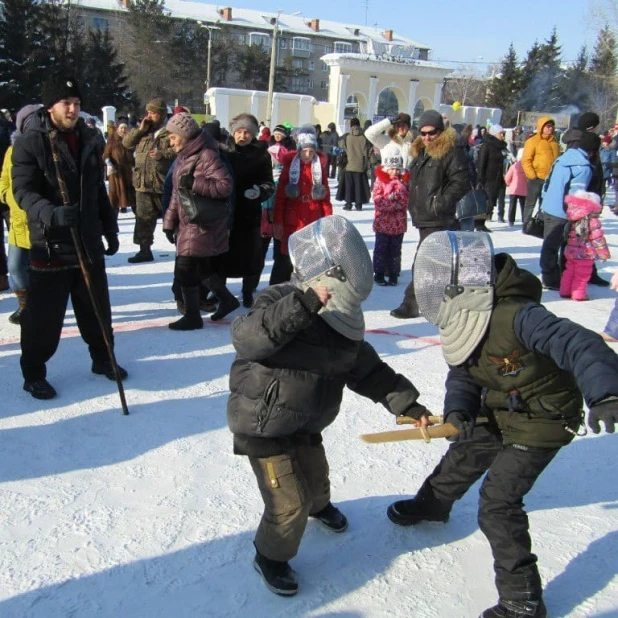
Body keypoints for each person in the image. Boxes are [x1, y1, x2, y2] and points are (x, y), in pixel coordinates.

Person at [387, 230, 618, 618]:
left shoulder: (519, 316)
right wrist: (458, 409)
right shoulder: (464, 317)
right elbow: (463, 372)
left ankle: (523, 601)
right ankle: (432, 505)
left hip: (544, 417)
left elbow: (581, 344)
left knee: (497, 503)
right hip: (501, 403)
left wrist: (606, 393)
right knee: (468, 446)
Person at [226, 214, 429, 596]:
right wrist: (301, 307)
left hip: (305, 423)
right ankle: (270, 557)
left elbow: (368, 371)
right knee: (289, 503)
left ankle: (320, 507)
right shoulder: (279, 300)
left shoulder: (342, 324)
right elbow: (248, 339)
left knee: (316, 480)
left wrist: (409, 405)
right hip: (263, 424)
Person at [11, 74, 125, 400]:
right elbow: (23, 191)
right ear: (51, 106)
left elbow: (96, 191)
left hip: (87, 241)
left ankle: (103, 358)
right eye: (67, 103)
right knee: (43, 319)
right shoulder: (30, 142)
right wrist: (52, 213)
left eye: (77, 104)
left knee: (96, 310)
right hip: (50, 244)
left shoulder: (89, 139)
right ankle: (33, 372)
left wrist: (109, 226)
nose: (73, 109)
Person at [390, 109, 469, 319]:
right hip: (424, 216)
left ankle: (412, 304)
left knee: (424, 262)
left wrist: (439, 203)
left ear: (440, 131)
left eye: (431, 132)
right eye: (423, 133)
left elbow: (461, 181)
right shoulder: (421, 152)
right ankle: (445, 302)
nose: (426, 137)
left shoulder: (450, 151)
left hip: (439, 217)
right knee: (439, 262)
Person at [162, 112, 237, 329]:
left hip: (203, 222)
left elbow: (225, 186)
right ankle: (227, 299)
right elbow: (177, 193)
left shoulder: (207, 155)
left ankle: (193, 316)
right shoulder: (182, 157)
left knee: (184, 268)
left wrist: (195, 183)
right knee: (201, 268)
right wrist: (169, 222)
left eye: (173, 136)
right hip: (187, 222)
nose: (171, 140)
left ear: (184, 135)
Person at [221, 113, 274, 308]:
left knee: (251, 256)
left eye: (247, 133)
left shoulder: (261, 155)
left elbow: (269, 183)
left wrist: (259, 191)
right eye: (239, 132)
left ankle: (247, 291)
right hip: (226, 212)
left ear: (253, 135)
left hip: (249, 212)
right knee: (222, 254)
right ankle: (221, 292)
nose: (242, 136)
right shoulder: (224, 151)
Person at [270, 126, 332, 284]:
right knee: (285, 261)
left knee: (308, 260)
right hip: (292, 220)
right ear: (299, 150)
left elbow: (325, 199)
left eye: (311, 151)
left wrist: (328, 221)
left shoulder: (319, 169)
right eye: (305, 151)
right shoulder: (290, 168)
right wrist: (278, 221)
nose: (308, 155)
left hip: (312, 219)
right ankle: (277, 292)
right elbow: (281, 198)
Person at [538, 131, 598, 290]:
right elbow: (576, 195)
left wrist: (544, 200)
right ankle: (555, 279)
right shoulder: (583, 167)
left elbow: (548, 181)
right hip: (564, 211)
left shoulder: (562, 158)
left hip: (550, 206)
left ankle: (549, 276)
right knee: (566, 246)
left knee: (549, 246)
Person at [0, 104, 41, 323]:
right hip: (17, 220)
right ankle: (24, 305)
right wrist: (7, 196)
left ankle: (39, 306)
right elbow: (4, 180)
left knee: (38, 269)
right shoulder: (11, 150)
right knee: (14, 266)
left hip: (39, 221)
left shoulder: (45, 148)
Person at [122, 97, 175, 263]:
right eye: (148, 112)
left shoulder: (172, 129)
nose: (149, 116)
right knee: (143, 219)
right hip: (143, 183)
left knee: (173, 217)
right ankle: (144, 250)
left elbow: (181, 150)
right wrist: (140, 129)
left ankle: (183, 247)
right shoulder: (145, 129)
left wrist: (164, 155)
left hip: (163, 183)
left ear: (161, 114)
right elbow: (127, 143)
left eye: (153, 113)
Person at [560, 191, 609, 301]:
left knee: (569, 271)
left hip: (570, 250)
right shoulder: (592, 221)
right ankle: (578, 294)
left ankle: (565, 291)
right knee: (582, 274)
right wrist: (604, 254)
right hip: (585, 253)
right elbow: (597, 238)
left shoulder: (573, 217)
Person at [371, 143, 408, 286]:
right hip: (383, 223)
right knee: (380, 250)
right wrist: (394, 204)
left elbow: (405, 200)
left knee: (395, 251)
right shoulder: (380, 182)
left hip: (398, 225)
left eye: (397, 169)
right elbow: (378, 200)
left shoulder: (403, 183)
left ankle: (393, 274)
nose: (394, 172)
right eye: (391, 168)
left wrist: (395, 202)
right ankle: (379, 274)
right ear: (386, 168)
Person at [521, 116, 559, 226]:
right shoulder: (533, 141)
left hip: (550, 179)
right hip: (536, 177)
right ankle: (526, 222)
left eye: (551, 126)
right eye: (548, 126)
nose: (550, 128)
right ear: (541, 127)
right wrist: (532, 175)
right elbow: (526, 160)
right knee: (531, 202)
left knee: (545, 203)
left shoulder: (555, 143)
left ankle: (541, 222)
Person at [336, 117, 372, 211]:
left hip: (349, 166)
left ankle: (348, 204)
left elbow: (340, 144)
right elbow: (367, 151)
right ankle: (358, 204)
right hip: (360, 166)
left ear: (351, 126)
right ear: (359, 126)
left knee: (349, 186)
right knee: (359, 186)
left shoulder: (347, 137)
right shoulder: (364, 137)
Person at [477, 124, 508, 225]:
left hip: (498, 178)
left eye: (503, 134)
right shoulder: (487, 145)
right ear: (495, 134)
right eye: (501, 134)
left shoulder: (501, 146)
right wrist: (480, 178)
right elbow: (482, 162)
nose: (503, 136)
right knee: (487, 201)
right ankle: (480, 222)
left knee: (494, 200)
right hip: (488, 178)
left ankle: (487, 220)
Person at [103, 122, 135, 215]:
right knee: (116, 194)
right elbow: (106, 153)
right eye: (121, 128)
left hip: (128, 170)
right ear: (118, 129)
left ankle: (137, 214)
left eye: (125, 128)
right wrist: (108, 162)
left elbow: (133, 153)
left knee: (131, 193)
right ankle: (113, 215)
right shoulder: (112, 138)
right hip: (117, 171)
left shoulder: (129, 139)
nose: (123, 130)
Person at [504, 148, 527, 226]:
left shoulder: (514, 166)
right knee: (523, 205)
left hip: (514, 189)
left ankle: (511, 220)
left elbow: (507, 177)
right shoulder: (527, 167)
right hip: (524, 189)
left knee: (512, 205)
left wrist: (509, 184)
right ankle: (524, 219)